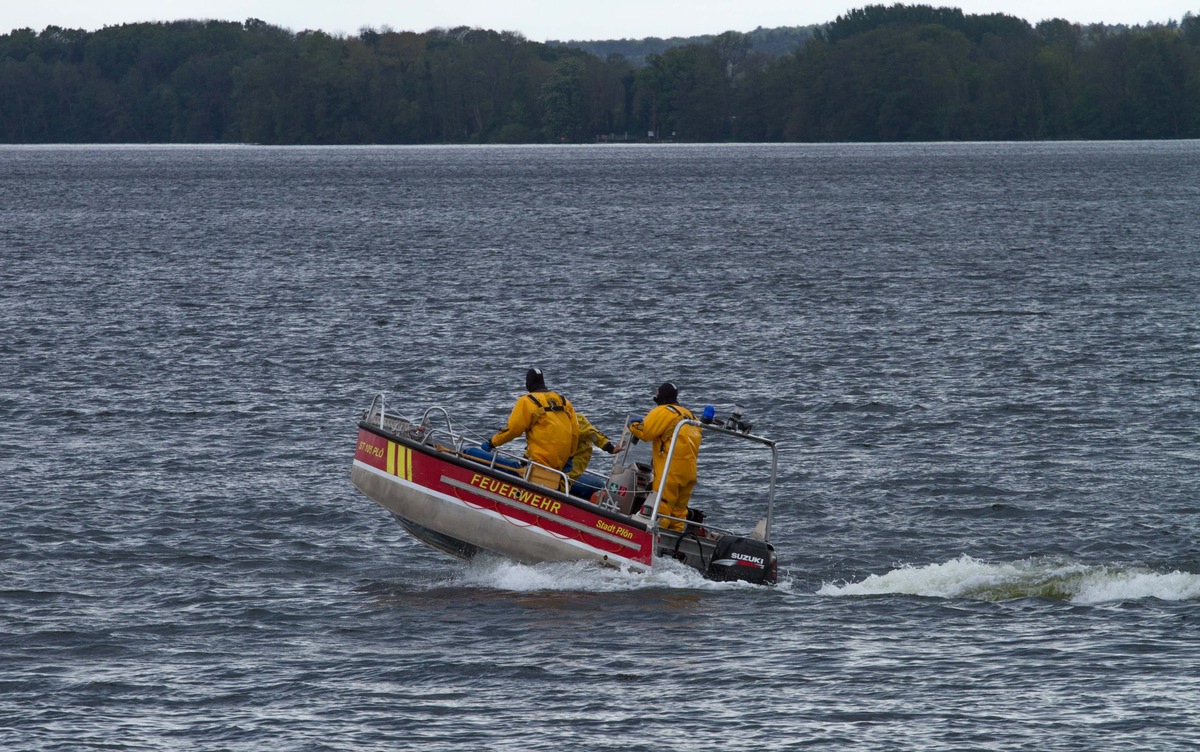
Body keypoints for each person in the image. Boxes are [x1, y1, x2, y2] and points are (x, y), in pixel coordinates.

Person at [483, 368, 579, 490]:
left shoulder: (527, 401)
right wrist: (570, 457)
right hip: (560, 462)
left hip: (540, 461)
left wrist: (492, 442)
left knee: (525, 471)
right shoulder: (564, 401)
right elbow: (575, 433)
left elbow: (514, 429)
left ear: (529, 383)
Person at [626, 381, 701, 531]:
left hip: (671, 472)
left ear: (661, 396)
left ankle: (657, 540)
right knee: (679, 511)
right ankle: (675, 542)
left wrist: (633, 425)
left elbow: (646, 433)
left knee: (663, 506)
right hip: (689, 473)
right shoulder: (690, 415)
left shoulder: (664, 411)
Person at [567, 413, 617, 483]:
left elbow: (590, 433)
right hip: (566, 464)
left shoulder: (573, 419)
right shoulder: (560, 418)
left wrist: (610, 448)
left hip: (572, 463)